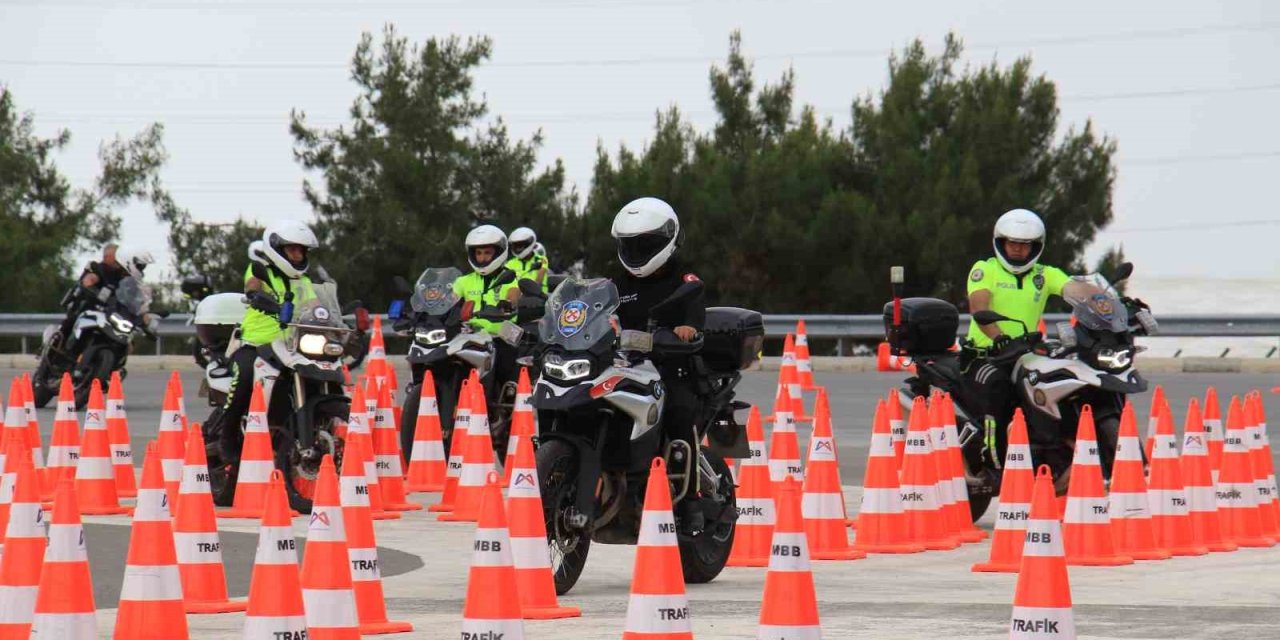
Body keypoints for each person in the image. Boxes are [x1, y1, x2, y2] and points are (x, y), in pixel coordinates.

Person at [963, 208, 1070, 471]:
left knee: (1059, 381)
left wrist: (1108, 300)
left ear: (1036, 247)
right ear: (1001, 242)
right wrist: (999, 337)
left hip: (1025, 355)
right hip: (984, 355)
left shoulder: (1044, 275)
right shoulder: (985, 269)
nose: (1019, 250)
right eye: (1013, 243)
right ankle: (994, 458)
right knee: (997, 387)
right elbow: (979, 306)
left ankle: (1054, 451)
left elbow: (1075, 289)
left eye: (1025, 245)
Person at [211, 221, 320, 462]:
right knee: (245, 377)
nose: (298, 255)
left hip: (291, 349)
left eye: (301, 251)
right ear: (277, 250)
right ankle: (226, 437)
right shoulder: (260, 270)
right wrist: (258, 297)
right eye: (292, 250)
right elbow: (253, 287)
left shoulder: (304, 282)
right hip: (255, 345)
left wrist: (329, 318)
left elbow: (315, 307)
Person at [609, 197, 705, 450]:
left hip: (670, 366)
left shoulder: (683, 279)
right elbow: (600, 308)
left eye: (645, 245)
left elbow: (694, 308)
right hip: (625, 364)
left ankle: (692, 485)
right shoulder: (618, 283)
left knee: (679, 416)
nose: (636, 252)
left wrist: (688, 328)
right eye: (630, 245)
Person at [453, 225, 520, 401]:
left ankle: (506, 403)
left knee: (508, 364)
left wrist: (508, 304)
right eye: (478, 253)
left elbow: (514, 295)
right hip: (469, 336)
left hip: (499, 336)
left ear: (498, 253)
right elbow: (449, 298)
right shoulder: (463, 281)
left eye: (487, 253)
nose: (482, 258)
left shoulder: (509, 279)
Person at [55, 244, 155, 347]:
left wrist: (146, 320)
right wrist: (90, 286)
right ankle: (55, 345)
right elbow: (89, 280)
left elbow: (138, 304)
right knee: (71, 321)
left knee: (128, 344)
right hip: (91, 307)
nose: (141, 270)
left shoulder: (132, 283)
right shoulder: (102, 269)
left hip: (113, 316)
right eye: (140, 266)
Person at [505, 226, 549, 292]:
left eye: (520, 246)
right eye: (515, 246)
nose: (517, 248)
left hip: (540, 298)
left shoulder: (541, 259)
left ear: (529, 243)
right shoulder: (509, 263)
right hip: (516, 299)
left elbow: (539, 280)